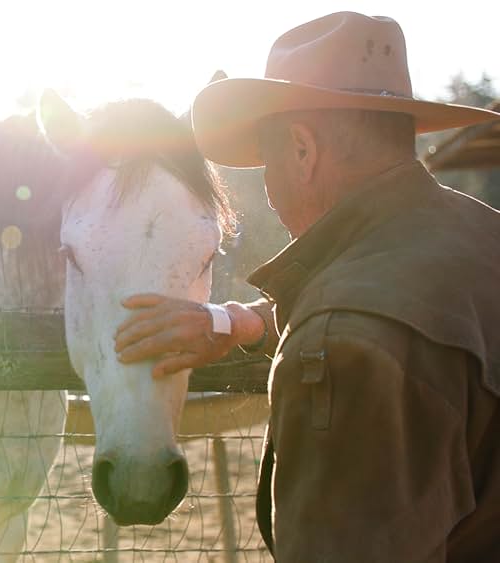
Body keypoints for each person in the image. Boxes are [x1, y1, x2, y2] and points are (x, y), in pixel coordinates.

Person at [114, 12, 500, 562]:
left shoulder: (341, 345)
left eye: (268, 161)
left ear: (301, 149)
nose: (268, 191)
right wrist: (240, 321)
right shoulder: (481, 239)